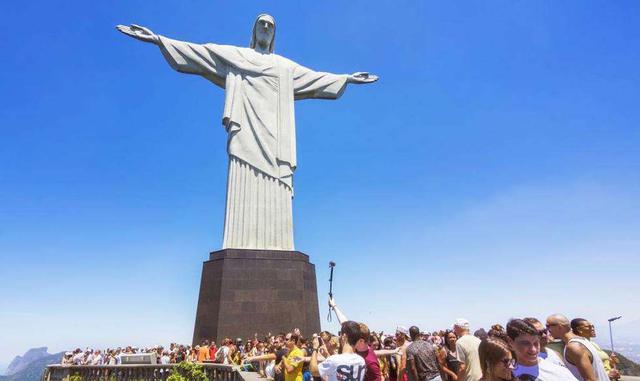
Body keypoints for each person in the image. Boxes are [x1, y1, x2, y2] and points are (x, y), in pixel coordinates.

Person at [116, 14, 377, 251]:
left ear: (274, 34)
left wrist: (347, 78)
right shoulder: (237, 57)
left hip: (276, 140)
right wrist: (158, 40)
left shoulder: (284, 67)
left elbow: (315, 79)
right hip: (246, 135)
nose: (265, 28)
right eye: (261, 24)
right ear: (254, 31)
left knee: (278, 189)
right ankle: (238, 242)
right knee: (242, 182)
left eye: (270, 26)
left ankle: (279, 245)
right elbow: (200, 53)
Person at [506, 319, 577, 381]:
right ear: (510, 342)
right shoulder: (504, 373)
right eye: (525, 343)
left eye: (536, 343)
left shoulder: (558, 371)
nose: (533, 349)